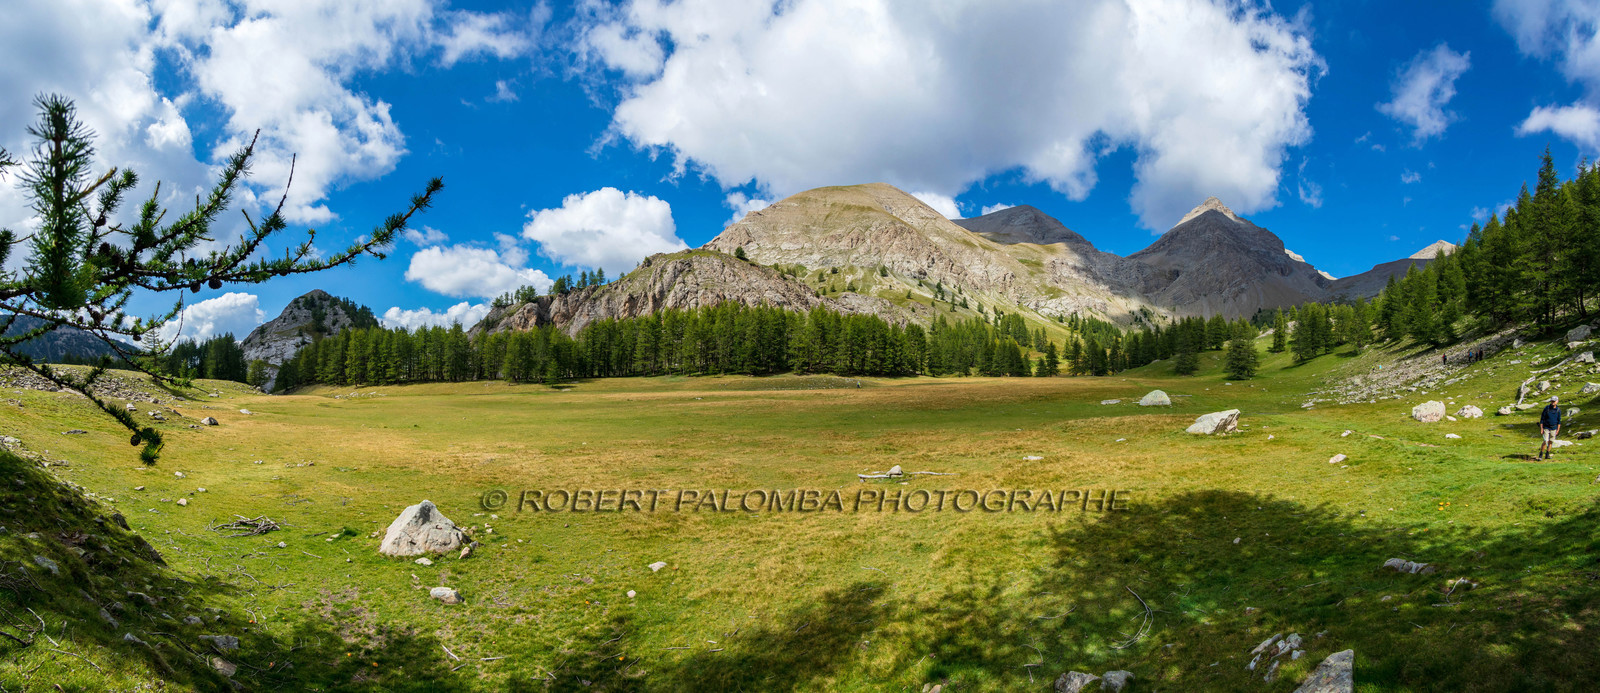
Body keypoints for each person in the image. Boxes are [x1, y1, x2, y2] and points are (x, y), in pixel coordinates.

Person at [1539, 396, 1562, 460]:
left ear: (1557, 401)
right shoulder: (1547, 408)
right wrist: (1541, 428)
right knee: (1545, 440)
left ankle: (1547, 454)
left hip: (1554, 428)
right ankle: (1541, 454)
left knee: (1551, 441)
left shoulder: (1558, 410)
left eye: (1554, 401)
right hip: (1546, 427)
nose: (1552, 403)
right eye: (1552, 401)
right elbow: (1542, 419)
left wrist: (1558, 430)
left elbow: (1559, 421)